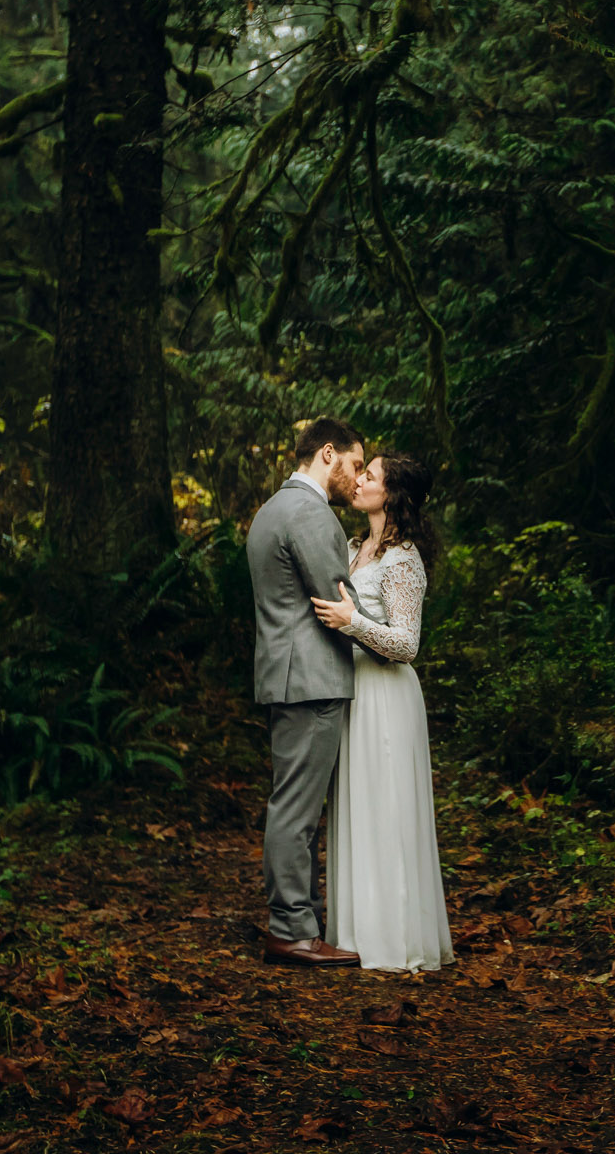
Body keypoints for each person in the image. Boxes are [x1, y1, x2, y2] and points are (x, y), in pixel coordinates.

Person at [310, 451, 455, 973]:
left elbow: (407, 643)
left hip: (388, 696)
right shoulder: (354, 548)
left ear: (391, 495)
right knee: (356, 807)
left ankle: (393, 940)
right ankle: (354, 933)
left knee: (386, 811)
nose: (359, 479)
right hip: (352, 691)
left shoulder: (403, 560)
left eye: (369, 475)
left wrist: (351, 622)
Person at [246, 416, 368, 968]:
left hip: (287, 674)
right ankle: (291, 928)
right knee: (296, 810)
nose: (358, 477)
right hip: (312, 679)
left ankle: (301, 919)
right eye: (356, 464)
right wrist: (384, 627)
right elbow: (338, 600)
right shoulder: (311, 513)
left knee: (292, 804)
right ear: (327, 454)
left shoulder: (272, 510)